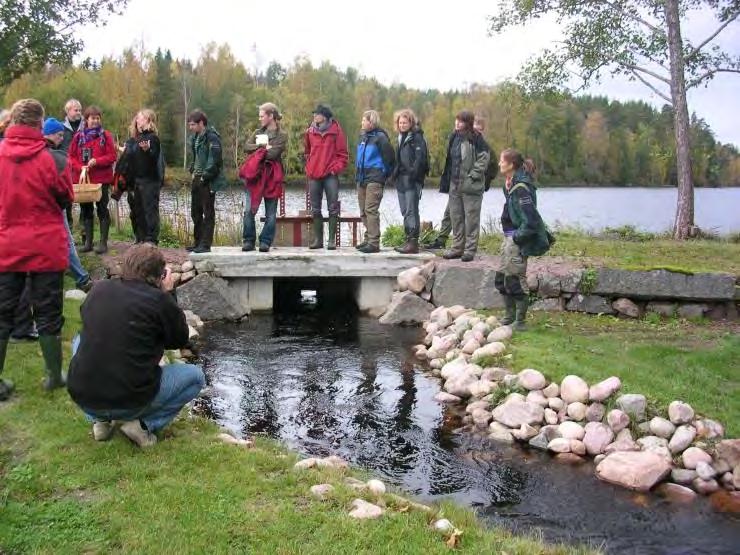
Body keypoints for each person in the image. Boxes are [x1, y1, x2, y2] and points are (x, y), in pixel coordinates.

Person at [67, 243, 205, 447]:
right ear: (160, 275)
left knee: (80, 340)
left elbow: (88, 319)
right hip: (130, 400)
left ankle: (100, 421)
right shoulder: (159, 300)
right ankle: (144, 424)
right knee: (195, 377)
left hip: (84, 397)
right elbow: (178, 339)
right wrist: (168, 293)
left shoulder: (99, 289)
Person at [0, 99, 74, 400]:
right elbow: (66, 197)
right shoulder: (54, 160)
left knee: (2, 314)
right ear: (39, 124)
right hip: (45, 247)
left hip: (5, 245)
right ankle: (54, 376)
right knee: (48, 313)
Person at [495, 149, 551, 331]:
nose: (499, 164)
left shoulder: (522, 189)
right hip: (508, 237)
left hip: (516, 239)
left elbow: (532, 221)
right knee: (501, 279)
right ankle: (509, 316)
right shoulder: (510, 184)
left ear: (511, 165)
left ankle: (520, 322)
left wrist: (518, 238)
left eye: (501, 161)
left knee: (515, 281)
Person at [425, 116, 495, 249]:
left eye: (479, 129)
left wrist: (479, 180)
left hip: (472, 186)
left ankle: (467, 247)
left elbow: (492, 167)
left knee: (470, 217)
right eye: (475, 127)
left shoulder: (481, 143)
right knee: (451, 213)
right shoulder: (456, 139)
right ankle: (444, 240)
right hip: (457, 184)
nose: (477, 131)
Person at [43, 117, 93, 292]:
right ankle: (82, 278)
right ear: (50, 135)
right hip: (54, 205)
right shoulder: (55, 157)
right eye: (59, 135)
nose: (61, 139)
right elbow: (65, 194)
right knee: (66, 240)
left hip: (37, 208)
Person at [439, 110, 491, 262]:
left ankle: (469, 250)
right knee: (456, 218)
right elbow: (450, 161)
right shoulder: (454, 137)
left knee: (471, 219)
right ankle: (457, 248)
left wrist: (472, 176)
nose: (457, 123)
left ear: (467, 123)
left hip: (470, 185)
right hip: (454, 184)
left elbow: (484, 158)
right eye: (456, 120)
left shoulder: (476, 138)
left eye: (460, 121)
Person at [68, 106, 117, 254]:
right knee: (86, 210)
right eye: (92, 118)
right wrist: (80, 167)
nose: (95, 121)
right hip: (84, 179)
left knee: (102, 208)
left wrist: (97, 161)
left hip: (101, 179)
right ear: (86, 119)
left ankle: (103, 243)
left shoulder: (105, 136)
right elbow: (70, 157)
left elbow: (112, 156)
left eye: (97, 118)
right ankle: (88, 243)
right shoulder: (78, 137)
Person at [241, 102, 287, 252]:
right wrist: (261, 147)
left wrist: (260, 152)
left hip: (272, 177)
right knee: (249, 210)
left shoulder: (282, 135)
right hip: (255, 176)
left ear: (271, 116)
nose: (259, 119)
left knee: (271, 213)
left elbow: (273, 154)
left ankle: (265, 241)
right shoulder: (257, 132)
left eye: (262, 116)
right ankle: (248, 240)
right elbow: (246, 147)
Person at [304, 104, 348, 250]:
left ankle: (331, 241)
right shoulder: (309, 131)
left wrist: (335, 170)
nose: (314, 116)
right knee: (315, 208)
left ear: (325, 116)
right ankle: (318, 240)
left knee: (333, 207)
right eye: (314, 114)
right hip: (314, 175)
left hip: (330, 175)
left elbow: (343, 155)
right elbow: (307, 152)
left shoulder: (336, 131)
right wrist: (309, 166)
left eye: (317, 113)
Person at [121, 109, 163, 244]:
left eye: (139, 117)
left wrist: (148, 151)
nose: (137, 120)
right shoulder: (137, 139)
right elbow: (133, 159)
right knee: (138, 211)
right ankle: (141, 238)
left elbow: (154, 158)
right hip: (137, 180)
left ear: (148, 120)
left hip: (150, 181)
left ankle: (151, 240)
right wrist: (124, 152)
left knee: (150, 211)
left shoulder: (153, 138)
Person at [355, 110, 394, 253]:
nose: (362, 123)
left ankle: (374, 243)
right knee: (363, 211)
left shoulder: (381, 138)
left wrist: (383, 175)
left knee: (371, 210)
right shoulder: (362, 137)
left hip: (375, 178)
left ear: (371, 122)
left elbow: (390, 159)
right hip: (361, 178)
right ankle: (368, 239)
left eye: (364, 120)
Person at [187, 110, 227, 253]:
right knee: (195, 212)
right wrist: (193, 170)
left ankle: (205, 244)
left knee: (207, 212)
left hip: (207, 179)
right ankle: (197, 242)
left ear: (201, 123)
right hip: (197, 177)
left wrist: (205, 176)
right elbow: (196, 156)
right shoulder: (196, 137)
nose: (190, 127)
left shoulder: (212, 138)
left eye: (192, 124)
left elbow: (215, 159)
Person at [391, 108, 428, 254]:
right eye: (400, 122)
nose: (402, 125)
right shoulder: (400, 138)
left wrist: (414, 175)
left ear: (410, 122)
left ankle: (413, 243)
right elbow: (398, 159)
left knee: (412, 211)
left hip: (412, 180)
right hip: (401, 179)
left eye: (405, 122)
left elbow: (421, 159)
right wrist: (394, 174)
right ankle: (408, 240)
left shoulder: (417, 137)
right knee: (404, 211)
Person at [60, 99, 83, 230]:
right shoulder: (62, 129)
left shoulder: (86, 127)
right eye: (76, 110)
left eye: (80, 110)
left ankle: (85, 234)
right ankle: (68, 232)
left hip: (83, 169)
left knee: (86, 202)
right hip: (66, 169)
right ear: (68, 111)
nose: (79, 113)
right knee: (67, 202)